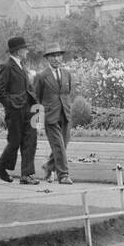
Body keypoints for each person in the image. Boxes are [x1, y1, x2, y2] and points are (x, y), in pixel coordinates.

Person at [0, 35, 38, 184]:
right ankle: (0, 166)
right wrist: (11, 106)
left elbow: (27, 88)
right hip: (15, 111)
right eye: (25, 49)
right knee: (15, 141)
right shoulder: (6, 66)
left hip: (28, 108)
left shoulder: (22, 66)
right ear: (18, 51)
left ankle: (26, 175)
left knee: (30, 140)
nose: (27, 51)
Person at [34, 42, 74, 184]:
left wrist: (68, 110)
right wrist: (37, 122)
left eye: (58, 56)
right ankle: (63, 175)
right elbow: (36, 99)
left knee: (63, 145)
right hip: (50, 117)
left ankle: (48, 166)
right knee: (58, 146)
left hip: (65, 114)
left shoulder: (67, 74)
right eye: (53, 56)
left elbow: (68, 94)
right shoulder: (41, 76)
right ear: (47, 59)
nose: (56, 59)